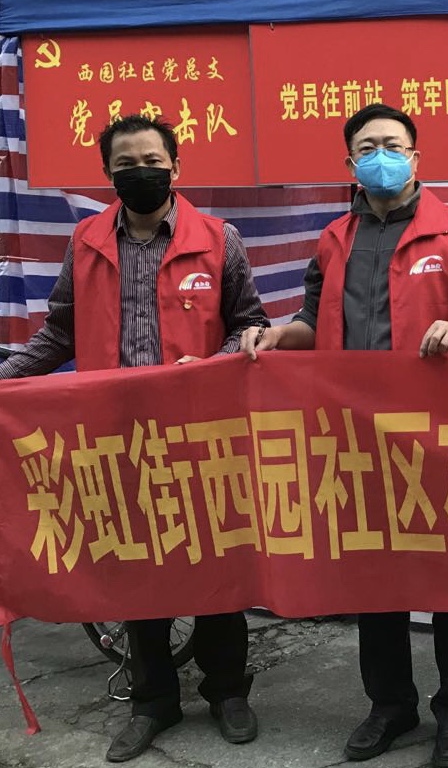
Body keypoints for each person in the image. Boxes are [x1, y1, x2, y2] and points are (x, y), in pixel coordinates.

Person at [241, 103, 448, 766]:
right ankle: (390, 705)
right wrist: (279, 336)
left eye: (393, 145)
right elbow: (315, 323)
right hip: (355, 438)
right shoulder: (334, 239)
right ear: (350, 164)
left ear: (416, 158)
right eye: (367, 147)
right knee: (373, 581)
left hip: (439, 437)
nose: (381, 157)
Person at [0, 114, 266, 762]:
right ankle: (153, 701)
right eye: (126, 164)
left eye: (152, 161)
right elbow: (60, 331)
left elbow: (249, 324)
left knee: (215, 565)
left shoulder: (218, 239)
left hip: (198, 436)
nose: (140, 172)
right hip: (115, 437)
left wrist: (209, 367)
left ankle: (228, 691)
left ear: (176, 168)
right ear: (107, 173)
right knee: (134, 570)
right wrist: (6, 375)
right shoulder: (87, 241)